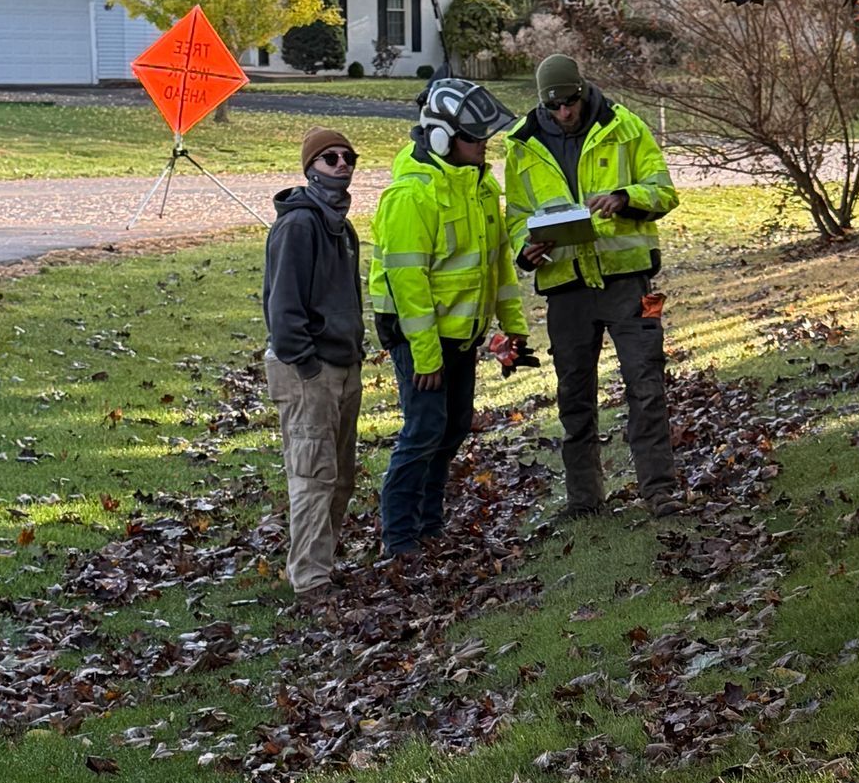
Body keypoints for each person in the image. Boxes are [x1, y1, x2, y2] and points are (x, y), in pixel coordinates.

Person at [505, 51, 682, 522]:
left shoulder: (625, 127)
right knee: (574, 396)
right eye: (555, 106)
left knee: (646, 386)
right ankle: (584, 500)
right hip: (566, 288)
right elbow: (516, 218)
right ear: (542, 103)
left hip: (628, 282)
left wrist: (625, 198)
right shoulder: (521, 145)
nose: (566, 112)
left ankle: (660, 490)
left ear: (584, 91)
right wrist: (526, 248)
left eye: (572, 102)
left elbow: (664, 190)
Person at [369, 77, 532, 563]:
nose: (484, 146)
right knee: (423, 429)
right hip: (419, 338)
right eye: (474, 137)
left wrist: (513, 327)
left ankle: (429, 525)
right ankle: (399, 538)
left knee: (454, 426)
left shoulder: (479, 186)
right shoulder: (412, 195)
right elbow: (408, 283)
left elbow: (498, 263)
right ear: (440, 136)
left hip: (463, 334)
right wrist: (425, 355)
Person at [263, 126, 364, 605]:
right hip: (308, 370)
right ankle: (310, 581)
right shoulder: (298, 225)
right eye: (330, 159)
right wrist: (306, 365)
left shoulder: (342, 227)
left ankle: (323, 565)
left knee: (340, 476)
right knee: (312, 475)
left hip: (344, 366)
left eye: (347, 157)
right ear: (310, 168)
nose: (341, 165)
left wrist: (354, 356)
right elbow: (282, 309)